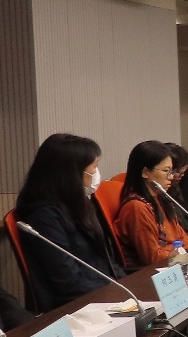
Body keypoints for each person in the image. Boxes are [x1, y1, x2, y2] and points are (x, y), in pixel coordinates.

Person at [15, 134, 124, 312]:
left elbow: (105, 260)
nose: (97, 173)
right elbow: (68, 282)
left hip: (102, 294)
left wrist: (125, 284)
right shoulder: (43, 217)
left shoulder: (80, 204)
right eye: (94, 166)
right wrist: (115, 291)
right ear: (72, 173)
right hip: (76, 307)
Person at [114, 141, 188, 268]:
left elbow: (185, 241)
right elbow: (153, 258)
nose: (171, 177)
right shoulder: (137, 207)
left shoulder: (163, 200)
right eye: (166, 171)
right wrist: (178, 253)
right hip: (154, 273)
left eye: (172, 171)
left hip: (177, 264)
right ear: (145, 172)